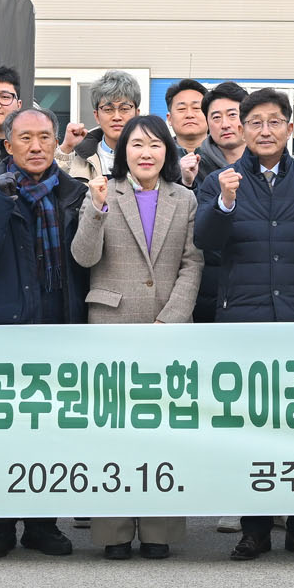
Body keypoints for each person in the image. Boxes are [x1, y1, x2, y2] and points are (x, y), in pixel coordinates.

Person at [196, 87, 294, 560]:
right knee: (250, 426)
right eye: (255, 122)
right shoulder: (222, 181)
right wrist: (225, 201)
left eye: (274, 121)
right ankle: (253, 529)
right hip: (244, 319)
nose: (265, 130)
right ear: (242, 129)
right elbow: (205, 241)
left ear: (290, 129)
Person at [0, 104, 90, 558]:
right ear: (8, 145)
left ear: (56, 142)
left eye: (44, 137)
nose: (36, 146)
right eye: (25, 138)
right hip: (2, 330)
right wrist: (0, 200)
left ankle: (42, 524)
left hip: (59, 326)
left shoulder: (75, 194)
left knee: (51, 430)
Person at [71, 113, 204, 560]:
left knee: (164, 428)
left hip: (167, 326)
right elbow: (84, 257)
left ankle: (158, 531)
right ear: (122, 151)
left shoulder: (184, 199)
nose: (146, 153)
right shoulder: (103, 191)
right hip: (112, 324)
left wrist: (172, 318)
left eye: (155, 145)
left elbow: (192, 262)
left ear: (168, 151)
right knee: (113, 429)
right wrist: (96, 210)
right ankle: (113, 531)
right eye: (136, 145)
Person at [190, 80, 249, 334]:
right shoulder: (194, 168)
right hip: (207, 290)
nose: (225, 124)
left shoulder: (267, 168)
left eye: (232, 115)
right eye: (216, 117)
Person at [62, 70, 142, 182]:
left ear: (137, 114)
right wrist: (66, 148)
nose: (117, 117)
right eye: (108, 109)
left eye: (124, 109)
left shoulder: (151, 157)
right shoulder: (77, 158)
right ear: (97, 116)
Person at [165, 79, 211, 160]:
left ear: (209, 115)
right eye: (181, 108)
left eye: (196, 108)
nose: (189, 115)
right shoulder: (160, 155)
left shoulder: (226, 151)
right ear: (169, 118)